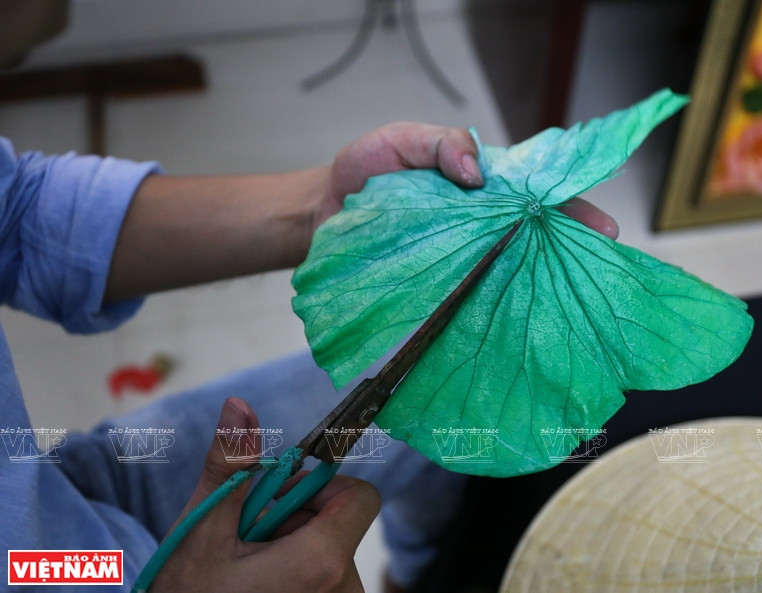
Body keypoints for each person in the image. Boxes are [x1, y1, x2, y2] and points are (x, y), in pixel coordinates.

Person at [0, 124, 618, 592]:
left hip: (47, 501)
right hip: (51, 569)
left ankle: (419, 576)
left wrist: (324, 202)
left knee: (459, 398)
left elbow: (17, 211)